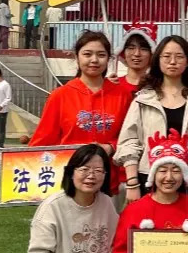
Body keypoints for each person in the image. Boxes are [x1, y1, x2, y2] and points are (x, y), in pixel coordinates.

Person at [116, 35, 188, 204]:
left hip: (186, 177)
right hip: (147, 177)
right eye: (166, 56)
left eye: (179, 56)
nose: (173, 62)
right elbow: (129, 141)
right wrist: (132, 182)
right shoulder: (143, 99)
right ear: (157, 60)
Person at [29, 33, 133, 196]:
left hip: (109, 184)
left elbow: (132, 137)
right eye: (87, 54)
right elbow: (42, 142)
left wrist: (111, 147)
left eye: (101, 55)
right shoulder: (60, 96)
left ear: (109, 59)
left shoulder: (122, 95)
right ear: (76, 57)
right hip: (69, 184)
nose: (94, 60)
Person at [112, 21, 157, 96]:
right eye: (131, 48)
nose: (137, 54)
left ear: (152, 54)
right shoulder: (112, 85)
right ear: (123, 52)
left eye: (143, 49)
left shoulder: (158, 87)